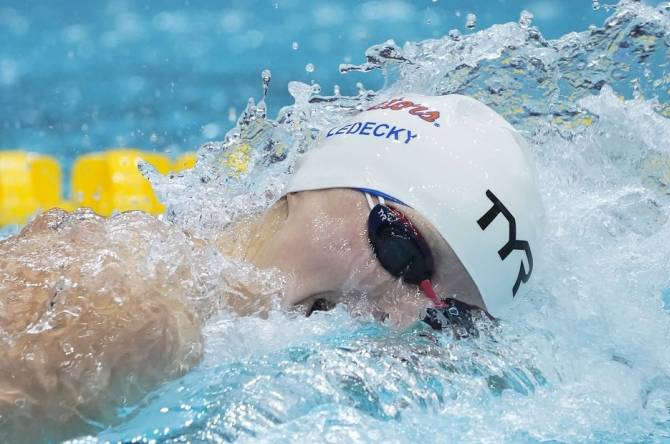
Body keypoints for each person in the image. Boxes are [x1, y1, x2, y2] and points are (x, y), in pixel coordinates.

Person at [0, 94, 544, 441]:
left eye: (448, 317)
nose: (402, 319)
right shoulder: (138, 311)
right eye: (404, 251)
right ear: (318, 182)